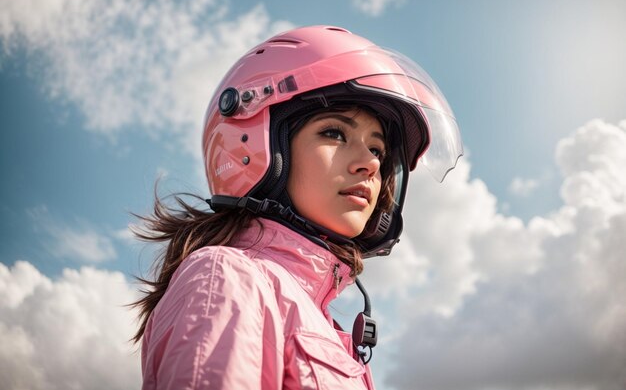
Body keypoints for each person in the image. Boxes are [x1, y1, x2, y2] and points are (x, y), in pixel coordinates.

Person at [132, 25, 462, 390]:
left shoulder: (320, 321)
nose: (370, 164)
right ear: (254, 145)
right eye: (335, 133)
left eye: (377, 149)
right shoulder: (227, 279)